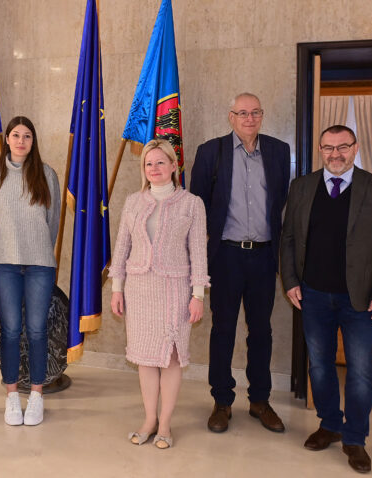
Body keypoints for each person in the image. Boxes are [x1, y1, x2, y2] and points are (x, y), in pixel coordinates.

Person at [280, 125, 372, 473]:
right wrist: (290, 281)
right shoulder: (302, 187)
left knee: (361, 373)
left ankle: (355, 438)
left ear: (355, 147)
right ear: (320, 150)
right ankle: (330, 424)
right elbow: (288, 238)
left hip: (360, 301)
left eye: (342, 147)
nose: (335, 154)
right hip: (313, 296)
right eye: (328, 148)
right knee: (319, 367)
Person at [189, 92, 290, 434]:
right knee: (223, 330)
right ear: (230, 117)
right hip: (226, 256)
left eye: (255, 112)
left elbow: (281, 204)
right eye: (242, 113)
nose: (249, 118)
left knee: (261, 331)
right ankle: (222, 401)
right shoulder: (210, 152)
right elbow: (197, 208)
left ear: (262, 116)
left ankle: (260, 401)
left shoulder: (278, 151)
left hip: (263, 255)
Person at [109, 139, 209, 448]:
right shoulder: (133, 202)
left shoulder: (192, 203)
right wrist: (116, 288)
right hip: (139, 289)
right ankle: (149, 418)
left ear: (173, 166)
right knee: (146, 359)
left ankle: (165, 423)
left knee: (172, 358)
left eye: (161, 162)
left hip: (175, 290)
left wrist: (198, 295)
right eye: (149, 164)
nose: (154, 168)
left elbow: (198, 253)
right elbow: (122, 247)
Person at [0, 116, 60, 426]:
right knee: (10, 331)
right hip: (4, 263)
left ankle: (35, 397)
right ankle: (10, 398)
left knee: (36, 331)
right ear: (7, 139)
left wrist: (40, 250)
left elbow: (53, 221)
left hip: (40, 265)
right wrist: (4, 248)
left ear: (34, 141)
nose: (21, 141)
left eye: (27, 136)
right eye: (15, 135)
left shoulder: (47, 174)